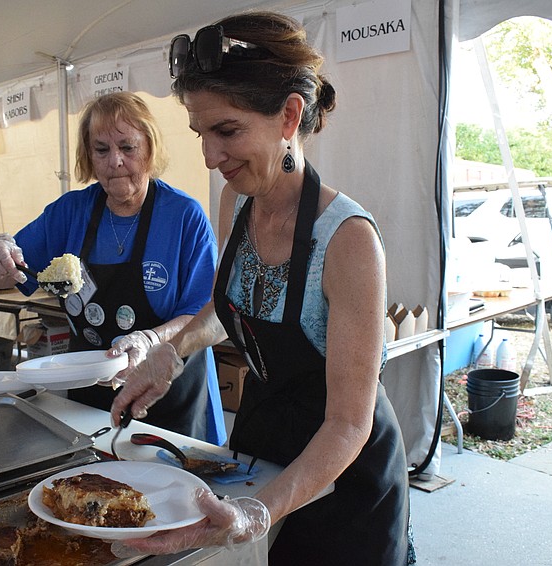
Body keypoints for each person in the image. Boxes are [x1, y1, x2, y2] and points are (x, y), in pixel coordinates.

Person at [109, 12, 411, 565]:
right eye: (202, 133)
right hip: (263, 450)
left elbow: (349, 422)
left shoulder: (347, 240)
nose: (210, 156)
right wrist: (169, 353)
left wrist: (261, 511)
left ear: (289, 116)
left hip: (343, 479)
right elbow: (231, 308)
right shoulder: (237, 202)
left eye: (227, 131)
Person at [0, 91, 226, 445]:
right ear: (88, 156)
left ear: (150, 149)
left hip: (171, 396)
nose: (115, 162)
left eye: (128, 147)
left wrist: (150, 338)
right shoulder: (69, 212)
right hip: (92, 398)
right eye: (102, 150)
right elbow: (9, 266)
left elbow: (204, 313)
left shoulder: (184, 216)